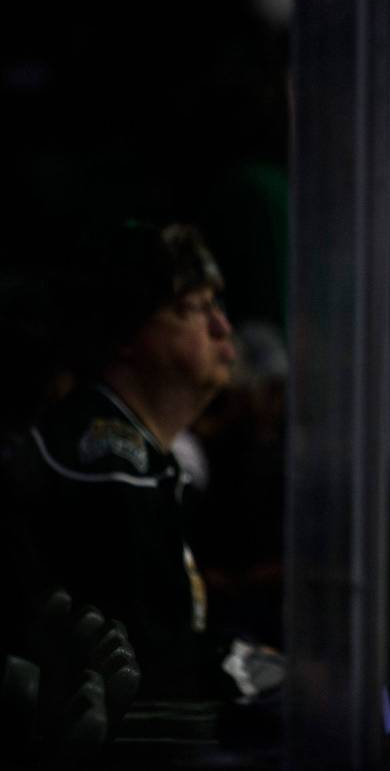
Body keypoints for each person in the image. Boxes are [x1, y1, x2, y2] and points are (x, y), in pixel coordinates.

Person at [18, 221, 243, 699]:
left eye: (215, 307)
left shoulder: (134, 455)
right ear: (126, 334)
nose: (221, 327)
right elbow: (154, 664)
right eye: (191, 309)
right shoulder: (107, 464)